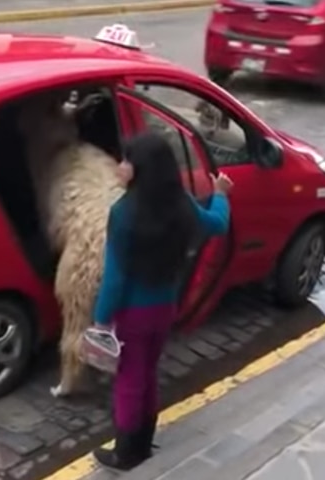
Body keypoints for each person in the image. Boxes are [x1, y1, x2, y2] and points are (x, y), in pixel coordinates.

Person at [91, 130, 233, 470]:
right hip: (165, 306)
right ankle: (143, 441)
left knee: (128, 379)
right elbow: (217, 224)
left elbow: (115, 277)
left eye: (126, 160)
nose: (120, 166)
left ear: (140, 168)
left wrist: (100, 319)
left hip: (131, 314)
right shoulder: (180, 201)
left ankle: (125, 452)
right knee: (148, 372)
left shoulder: (122, 213)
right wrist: (220, 194)